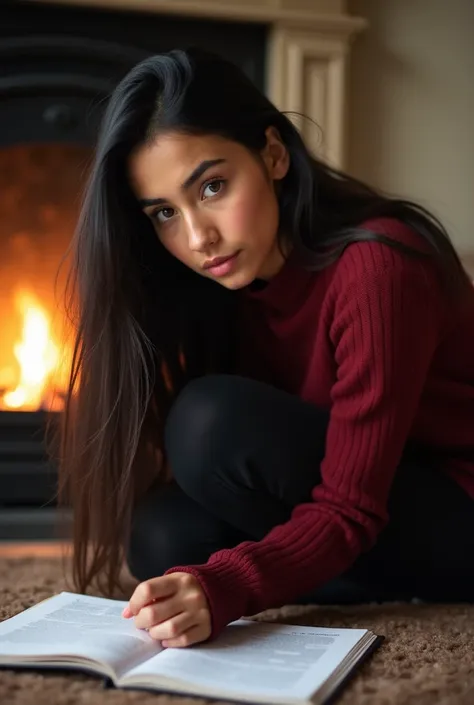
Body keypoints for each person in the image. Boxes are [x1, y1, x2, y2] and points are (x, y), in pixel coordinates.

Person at [58, 47, 474, 650]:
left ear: (274, 154)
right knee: (162, 538)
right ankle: (345, 571)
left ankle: (361, 574)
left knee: (208, 423)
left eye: (213, 186)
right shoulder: (231, 285)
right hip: (375, 494)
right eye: (165, 212)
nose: (199, 236)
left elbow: (350, 506)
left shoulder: (377, 267)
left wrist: (232, 585)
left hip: (457, 505)